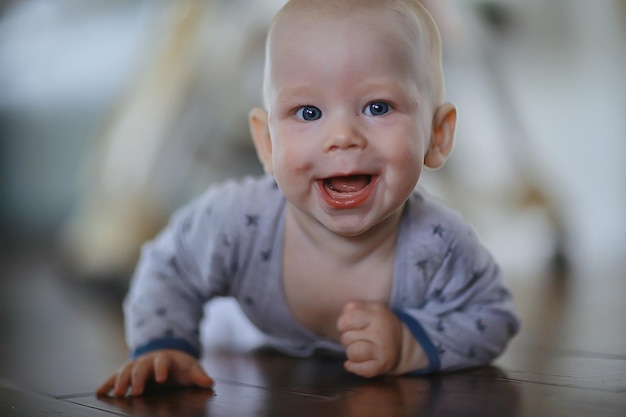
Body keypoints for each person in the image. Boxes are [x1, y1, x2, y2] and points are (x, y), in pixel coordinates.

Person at [97, 0, 519, 397]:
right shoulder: (238, 220)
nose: (342, 137)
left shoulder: (439, 245)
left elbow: (492, 317)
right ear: (266, 144)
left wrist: (411, 343)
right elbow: (170, 267)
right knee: (222, 328)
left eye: (377, 107)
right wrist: (164, 343)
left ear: (437, 135)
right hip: (241, 328)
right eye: (308, 113)